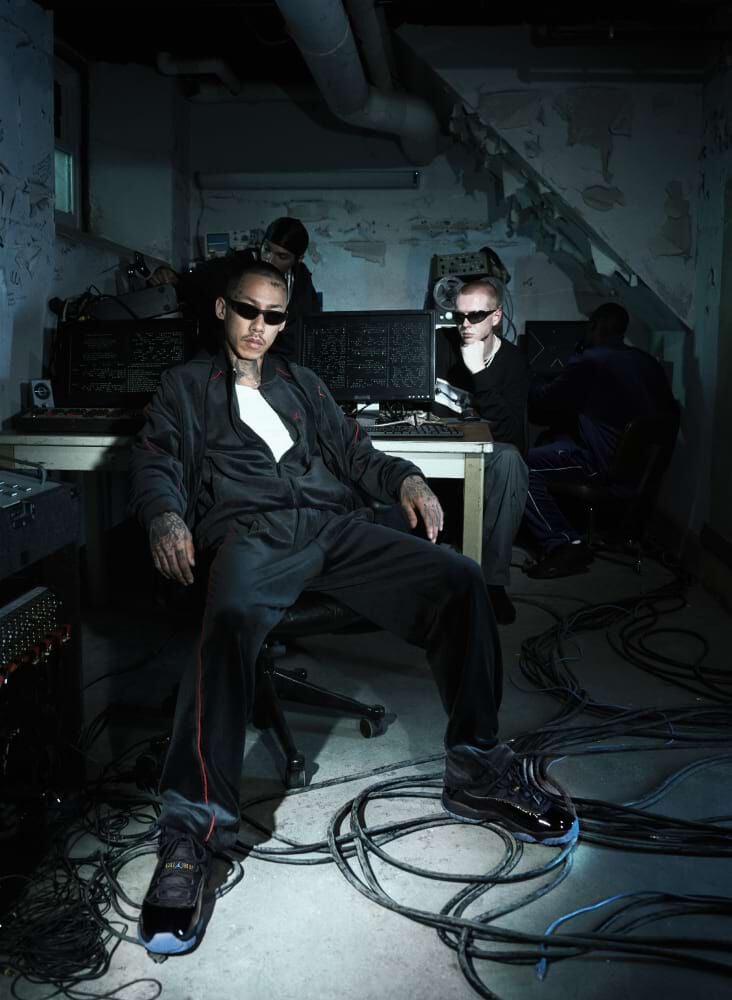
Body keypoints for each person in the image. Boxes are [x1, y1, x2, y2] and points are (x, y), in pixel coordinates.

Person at [128, 260, 577, 957]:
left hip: (331, 528)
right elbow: (155, 460)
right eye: (247, 311)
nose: (259, 327)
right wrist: (163, 516)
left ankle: (475, 766)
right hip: (251, 534)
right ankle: (192, 833)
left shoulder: (303, 384)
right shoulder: (185, 387)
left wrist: (408, 480)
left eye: (274, 316)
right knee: (225, 626)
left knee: (461, 581)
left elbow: (358, 454)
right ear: (222, 310)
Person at [523, 302, 678, 579]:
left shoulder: (589, 361)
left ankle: (564, 543)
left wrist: (530, 380)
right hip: (637, 468)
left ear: (594, 326)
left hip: (599, 463)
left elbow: (544, 399)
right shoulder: (647, 362)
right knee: (554, 438)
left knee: (518, 466)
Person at [435, 277, 529, 625]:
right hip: (438, 450)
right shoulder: (439, 345)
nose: (465, 324)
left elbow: (508, 433)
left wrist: (478, 371)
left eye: (475, 316)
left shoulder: (513, 362)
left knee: (510, 459)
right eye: (458, 316)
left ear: (496, 317)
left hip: (484, 456)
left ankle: (492, 583)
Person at [149, 216, 320, 360]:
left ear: (298, 259)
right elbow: (195, 282)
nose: (269, 259)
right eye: (267, 249)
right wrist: (173, 278)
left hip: (279, 365)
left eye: (281, 256)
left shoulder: (302, 285)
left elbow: (307, 331)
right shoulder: (234, 266)